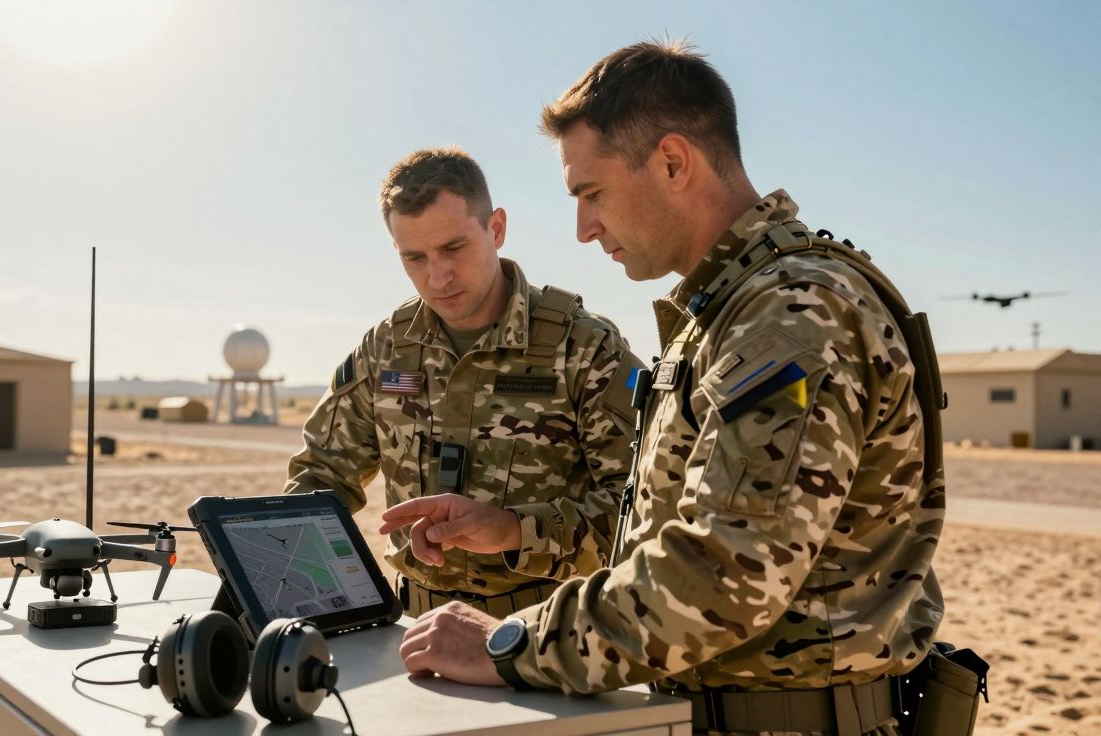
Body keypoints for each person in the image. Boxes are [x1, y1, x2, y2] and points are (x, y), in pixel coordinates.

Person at [387, 42, 945, 736]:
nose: (584, 229)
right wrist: (511, 531)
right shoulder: (729, 312)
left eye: (591, 194)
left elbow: (722, 577)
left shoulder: (793, 314)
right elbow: (661, 536)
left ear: (674, 162)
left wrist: (509, 643)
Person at [285, 147, 646, 619]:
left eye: (454, 248)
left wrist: (514, 530)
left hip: (544, 635)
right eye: (414, 257)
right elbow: (322, 475)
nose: (437, 276)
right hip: (413, 625)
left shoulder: (584, 347)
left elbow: (639, 512)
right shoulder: (386, 348)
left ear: (496, 228)